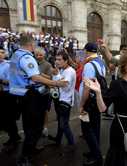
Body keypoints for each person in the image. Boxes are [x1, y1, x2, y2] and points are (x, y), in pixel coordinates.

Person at [8, 34, 68, 165]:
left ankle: (31, 149)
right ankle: (24, 158)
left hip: (17, 93)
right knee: (34, 127)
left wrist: (48, 77)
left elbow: (31, 73)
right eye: (34, 44)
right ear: (31, 45)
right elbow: (34, 77)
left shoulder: (15, 54)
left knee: (29, 124)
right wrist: (56, 84)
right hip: (29, 95)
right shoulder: (27, 57)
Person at [84, 53, 127, 166]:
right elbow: (102, 109)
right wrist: (98, 92)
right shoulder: (117, 84)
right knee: (119, 158)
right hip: (119, 128)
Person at [80, 42, 106, 166]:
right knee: (95, 127)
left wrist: (81, 104)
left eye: (85, 51)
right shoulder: (101, 62)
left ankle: (97, 157)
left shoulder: (89, 65)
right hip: (96, 99)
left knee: (86, 129)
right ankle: (94, 152)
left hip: (89, 101)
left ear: (87, 51)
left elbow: (87, 87)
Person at [48, 50, 76, 150]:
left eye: (59, 60)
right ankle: (58, 139)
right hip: (60, 99)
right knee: (61, 122)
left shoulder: (69, 71)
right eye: (56, 59)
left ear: (66, 61)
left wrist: (51, 80)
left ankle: (72, 143)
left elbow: (64, 84)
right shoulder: (62, 70)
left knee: (64, 124)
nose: (57, 61)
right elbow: (58, 81)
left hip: (66, 100)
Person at [0, 46, 21, 151]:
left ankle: (14, 140)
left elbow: (13, 81)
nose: (0, 54)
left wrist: (1, 80)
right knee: (4, 119)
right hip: (1, 95)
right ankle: (13, 136)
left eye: (2, 52)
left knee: (10, 118)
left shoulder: (10, 65)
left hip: (8, 94)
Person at [34, 47, 53, 137]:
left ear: (44, 55)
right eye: (37, 55)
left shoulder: (48, 65)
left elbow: (50, 78)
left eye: (40, 55)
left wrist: (39, 74)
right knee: (36, 110)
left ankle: (45, 127)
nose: (38, 56)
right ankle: (37, 127)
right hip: (34, 91)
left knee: (44, 111)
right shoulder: (33, 63)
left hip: (44, 91)